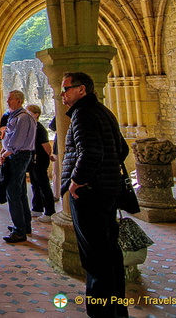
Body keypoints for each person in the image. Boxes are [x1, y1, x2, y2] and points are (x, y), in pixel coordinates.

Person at [61, 72, 130, 318]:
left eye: (66, 88)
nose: (62, 94)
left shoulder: (82, 114)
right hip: (108, 191)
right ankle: (117, 310)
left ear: (82, 90)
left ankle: (101, 313)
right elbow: (122, 148)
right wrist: (107, 171)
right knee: (110, 253)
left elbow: (89, 152)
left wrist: (76, 182)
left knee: (95, 259)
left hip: (90, 194)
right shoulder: (103, 111)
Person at [0, 90, 37, 243]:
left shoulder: (23, 118)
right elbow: (10, 137)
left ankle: (19, 231)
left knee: (13, 192)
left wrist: (4, 154)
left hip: (19, 157)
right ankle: (24, 225)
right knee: (20, 192)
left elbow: (17, 141)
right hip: (16, 155)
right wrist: (3, 149)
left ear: (19, 101)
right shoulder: (16, 116)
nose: (7, 102)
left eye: (10, 99)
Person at [26, 104, 56, 223]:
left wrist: (49, 155)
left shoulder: (39, 128)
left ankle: (49, 211)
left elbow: (46, 146)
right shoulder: (32, 126)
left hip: (40, 160)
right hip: (33, 159)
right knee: (35, 184)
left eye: (29, 113)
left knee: (44, 185)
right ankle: (37, 208)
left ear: (36, 114)